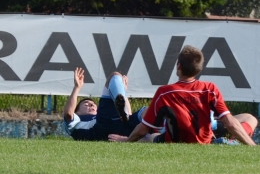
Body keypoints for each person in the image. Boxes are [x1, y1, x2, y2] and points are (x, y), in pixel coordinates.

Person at [108, 45, 257, 145]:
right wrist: (252, 146)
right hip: (205, 141)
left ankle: (230, 142)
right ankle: (232, 142)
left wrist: (127, 142)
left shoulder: (165, 92)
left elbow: (143, 129)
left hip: (175, 140)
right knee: (249, 119)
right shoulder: (210, 88)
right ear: (198, 69)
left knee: (150, 137)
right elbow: (230, 122)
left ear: (178, 66)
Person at [63, 67, 147, 141]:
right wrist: (77, 87)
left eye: (93, 104)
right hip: (101, 127)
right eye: (86, 104)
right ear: (77, 112)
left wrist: (123, 91)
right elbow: (68, 113)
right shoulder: (77, 122)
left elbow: (128, 115)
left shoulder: (99, 115)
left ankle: (159, 135)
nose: (91, 105)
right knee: (114, 76)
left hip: (121, 127)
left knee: (147, 112)